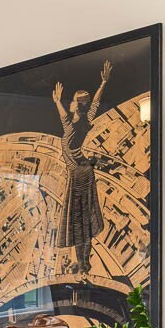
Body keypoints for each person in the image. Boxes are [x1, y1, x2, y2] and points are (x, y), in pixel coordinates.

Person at [51, 59, 111, 274]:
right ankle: (82, 262)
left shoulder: (82, 123)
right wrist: (56, 101)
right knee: (79, 225)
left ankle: (84, 262)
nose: (70, 102)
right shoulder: (72, 123)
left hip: (81, 173)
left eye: (74, 100)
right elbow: (64, 119)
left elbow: (94, 105)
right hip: (76, 173)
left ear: (78, 104)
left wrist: (103, 84)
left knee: (81, 223)